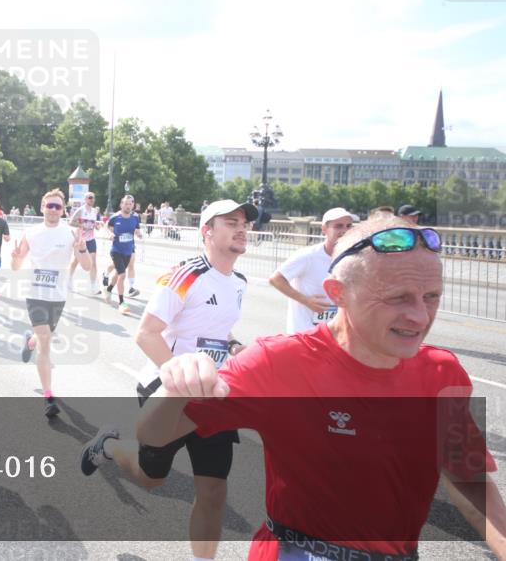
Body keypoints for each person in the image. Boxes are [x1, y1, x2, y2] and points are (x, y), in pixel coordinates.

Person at [135, 216, 505, 561]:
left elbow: (469, 478)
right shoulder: (275, 362)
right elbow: (153, 433)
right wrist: (177, 382)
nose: (420, 317)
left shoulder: (443, 372)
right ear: (338, 293)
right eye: (397, 298)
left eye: (432, 297)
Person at [80, 199, 257, 561]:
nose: (242, 228)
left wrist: (235, 346)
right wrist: (183, 380)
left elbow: (216, 330)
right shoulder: (186, 273)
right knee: (151, 479)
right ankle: (109, 447)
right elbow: (146, 333)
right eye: (230, 222)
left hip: (212, 399)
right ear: (207, 231)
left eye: (244, 223)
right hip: (168, 394)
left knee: (213, 490)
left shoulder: (239, 281)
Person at [11, 189, 91, 417]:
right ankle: (48, 396)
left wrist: (82, 249)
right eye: (50, 206)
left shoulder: (71, 233)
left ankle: (30, 342)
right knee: (46, 340)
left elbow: (86, 266)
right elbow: (16, 267)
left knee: (43, 336)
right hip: (35, 293)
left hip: (58, 296)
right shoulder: (32, 232)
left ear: (63, 210)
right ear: (42, 207)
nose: (53, 210)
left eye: (57, 206)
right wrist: (15, 257)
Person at [269, 207, 355, 333]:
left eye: (348, 226)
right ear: (324, 229)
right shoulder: (308, 256)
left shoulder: (352, 257)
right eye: (338, 226)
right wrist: (306, 301)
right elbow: (275, 279)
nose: (345, 231)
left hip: (334, 334)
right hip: (304, 333)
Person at [104, 195, 142, 314]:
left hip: (128, 251)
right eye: (126, 204)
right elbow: (107, 227)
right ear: (121, 205)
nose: (128, 206)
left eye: (130, 204)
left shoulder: (135, 217)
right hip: (116, 250)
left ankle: (108, 289)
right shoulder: (115, 217)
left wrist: (139, 234)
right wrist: (110, 234)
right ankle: (121, 302)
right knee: (122, 275)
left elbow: (136, 229)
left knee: (118, 274)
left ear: (133, 205)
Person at [68, 192, 101, 291]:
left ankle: (93, 286)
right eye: (90, 197)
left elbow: (94, 224)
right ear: (85, 199)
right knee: (76, 261)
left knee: (93, 262)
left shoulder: (95, 211)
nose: (92, 199)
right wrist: (81, 225)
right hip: (81, 241)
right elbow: (71, 222)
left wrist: (96, 226)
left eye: (93, 198)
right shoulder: (80, 210)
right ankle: (69, 279)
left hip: (91, 239)